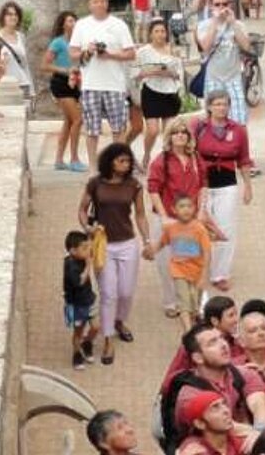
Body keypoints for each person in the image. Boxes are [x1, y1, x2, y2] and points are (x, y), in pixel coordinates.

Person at [76, 142, 151, 365]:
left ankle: (120, 320)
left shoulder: (134, 185)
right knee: (109, 293)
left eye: (128, 161)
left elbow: (139, 215)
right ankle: (108, 339)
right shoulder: (95, 183)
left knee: (126, 291)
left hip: (127, 243)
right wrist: (87, 228)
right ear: (110, 161)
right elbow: (82, 209)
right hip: (103, 244)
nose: (125, 164)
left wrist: (147, 240)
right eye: (121, 160)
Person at [147, 119, 210, 321]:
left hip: (190, 221)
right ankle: (171, 301)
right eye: (176, 132)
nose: (181, 135)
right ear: (170, 137)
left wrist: (202, 210)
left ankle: (192, 303)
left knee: (191, 261)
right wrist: (164, 217)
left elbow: (203, 185)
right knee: (166, 264)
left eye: (184, 132)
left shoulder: (195, 158)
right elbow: (153, 190)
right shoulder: (161, 161)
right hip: (169, 221)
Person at [192, 91, 254, 292]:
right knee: (198, 227)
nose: (221, 108)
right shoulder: (199, 127)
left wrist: (248, 187)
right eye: (217, 104)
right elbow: (188, 151)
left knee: (226, 229)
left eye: (225, 104)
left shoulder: (238, 130)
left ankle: (220, 274)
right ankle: (194, 269)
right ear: (209, 106)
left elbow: (244, 159)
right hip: (202, 183)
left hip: (227, 182)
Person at [69, 0, 137, 166]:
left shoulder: (119, 25)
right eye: (95, 1)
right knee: (92, 130)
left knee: (119, 129)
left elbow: (131, 53)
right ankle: (93, 167)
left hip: (114, 84)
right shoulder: (82, 25)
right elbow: (73, 53)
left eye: (102, 1)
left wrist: (110, 55)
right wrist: (87, 51)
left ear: (107, 2)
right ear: (90, 4)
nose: (99, 4)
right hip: (91, 85)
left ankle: (118, 165)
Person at [150, 194, 213, 333]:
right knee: (184, 303)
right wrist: (150, 251)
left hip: (197, 271)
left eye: (189, 206)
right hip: (178, 270)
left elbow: (207, 253)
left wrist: (204, 275)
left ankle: (195, 319)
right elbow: (162, 243)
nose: (186, 210)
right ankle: (188, 332)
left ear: (195, 208)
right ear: (173, 209)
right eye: (182, 206)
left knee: (194, 304)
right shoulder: (171, 228)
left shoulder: (199, 229)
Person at [197, 0, 253, 125]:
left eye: (224, 4)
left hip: (233, 77)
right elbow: (205, 47)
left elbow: (246, 46)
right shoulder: (204, 25)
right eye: (217, 4)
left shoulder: (237, 25)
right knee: (213, 119)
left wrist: (233, 23)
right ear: (211, 6)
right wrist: (215, 23)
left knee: (239, 120)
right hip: (213, 77)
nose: (221, 7)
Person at [135, 18, 183, 172]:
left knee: (169, 131)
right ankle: (147, 153)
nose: (160, 34)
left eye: (163, 31)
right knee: (153, 129)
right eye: (157, 31)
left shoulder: (173, 50)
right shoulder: (143, 52)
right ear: (150, 34)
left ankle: (167, 160)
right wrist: (151, 71)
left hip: (170, 92)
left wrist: (168, 72)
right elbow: (135, 72)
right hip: (151, 91)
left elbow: (179, 74)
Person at [44, 11, 86, 172]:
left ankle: (59, 160)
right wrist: (65, 70)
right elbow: (45, 65)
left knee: (68, 122)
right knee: (78, 120)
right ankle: (74, 159)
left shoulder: (80, 43)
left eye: (75, 20)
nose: (73, 23)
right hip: (61, 83)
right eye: (69, 20)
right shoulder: (58, 42)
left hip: (76, 83)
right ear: (63, 24)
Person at [63, 229, 99, 370]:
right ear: (73, 251)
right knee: (78, 330)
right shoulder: (70, 265)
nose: (88, 250)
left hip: (89, 300)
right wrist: (89, 264)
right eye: (84, 248)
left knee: (96, 327)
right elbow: (80, 281)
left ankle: (87, 343)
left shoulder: (82, 258)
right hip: (77, 305)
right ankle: (76, 354)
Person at [176, 394, 251, 455]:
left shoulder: (239, 443)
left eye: (224, 404)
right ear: (200, 424)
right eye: (215, 408)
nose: (226, 410)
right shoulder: (193, 449)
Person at [0, 0, 32, 97]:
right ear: (3, 17)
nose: (13, 17)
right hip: (4, 86)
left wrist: (31, 88)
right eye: (9, 14)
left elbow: (25, 65)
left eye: (16, 14)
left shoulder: (21, 37)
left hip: (23, 84)